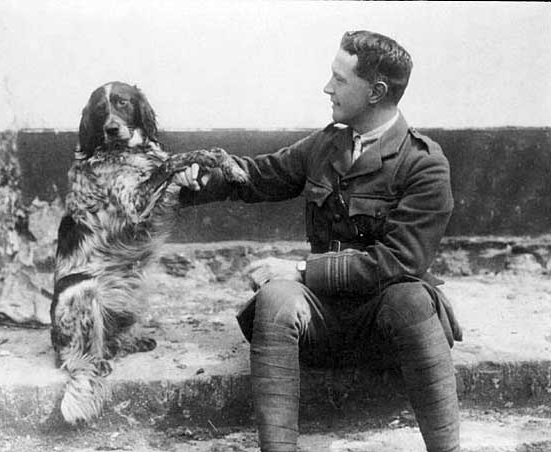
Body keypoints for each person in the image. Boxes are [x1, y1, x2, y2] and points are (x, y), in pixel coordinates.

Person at [174, 30, 462, 452]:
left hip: (385, 324)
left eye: (340, 80)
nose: (328, 87)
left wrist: (300, 270)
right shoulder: (328, 144)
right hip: (324, 316)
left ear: (376, 91)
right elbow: (258, 175)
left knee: (412, 298)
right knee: (275, 299)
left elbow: (399, 262)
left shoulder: (424, 163)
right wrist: (197, 174)